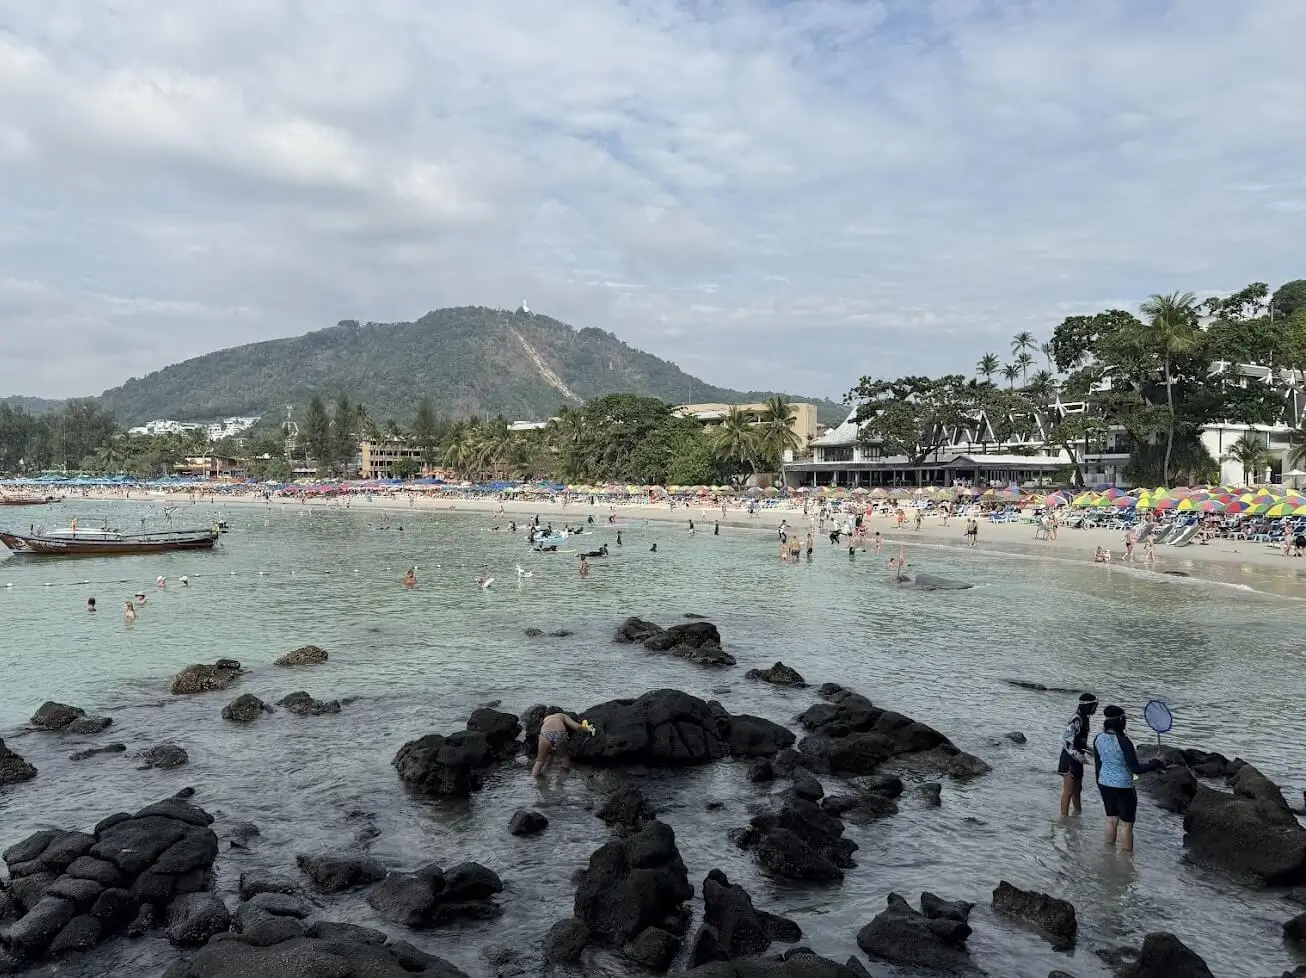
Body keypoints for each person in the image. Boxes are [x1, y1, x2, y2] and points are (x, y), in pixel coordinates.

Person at [1093, 705, 1164, 850]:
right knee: (1126, 824)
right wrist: (1156, 764)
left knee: (1111, 819)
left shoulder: (1098, 738)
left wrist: (1100, 783)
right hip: (1124, 786)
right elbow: (1135, 769)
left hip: (1104, 783)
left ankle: (1108, 853)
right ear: (1120, 721)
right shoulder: (1124, 741)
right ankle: (1126, 860)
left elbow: (1098, 765)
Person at [1058, 692, 1098, 816]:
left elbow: (1079, 741)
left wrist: (1091, 751)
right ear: (1088, 706)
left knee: (1077, 791)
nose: (1095, 709)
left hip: (1077, 759)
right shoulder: (1076, 719)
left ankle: (1077, 815)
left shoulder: (1085, 718)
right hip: (1070, 759)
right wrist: (1078, 756)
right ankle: (1064, 818)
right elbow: (1066, 741)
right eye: (1094, 706)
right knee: (1068, 791)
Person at [533, 712, 592, 777]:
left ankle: (535, 777)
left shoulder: (546, 719)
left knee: (540, 760)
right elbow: (576, 727)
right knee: (563, 756)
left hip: (545, 733)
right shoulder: (562, 715)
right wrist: (587, 729)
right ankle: (563, 777)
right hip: (559, 732)